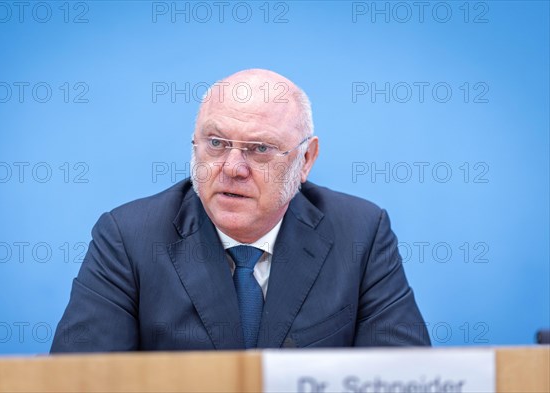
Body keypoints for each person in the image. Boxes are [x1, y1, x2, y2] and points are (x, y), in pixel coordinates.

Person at [50, 69, 430, 352]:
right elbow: (79, 380)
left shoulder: (360, 233)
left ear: (306, 159)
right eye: (216, 143)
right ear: (194, 144)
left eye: (260, 149)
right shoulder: (129, 238)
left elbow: (405, 377)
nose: (232, 167)